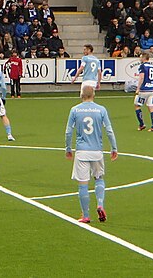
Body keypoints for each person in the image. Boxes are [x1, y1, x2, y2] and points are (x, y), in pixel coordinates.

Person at [65, 86, 118, 223]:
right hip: (97, 152)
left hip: (82, 151)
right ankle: (100, 204)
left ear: (81, 95)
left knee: (83, 184)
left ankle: (86, 215)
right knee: (99, 178)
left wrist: (68, 148)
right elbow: (109, 130)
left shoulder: (75, 110)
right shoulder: (101, 109)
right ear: (93, 95)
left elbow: (68, 132)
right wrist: (114, 147)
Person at [134, 53, 153, 132]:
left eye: (140, 57)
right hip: (152, 90)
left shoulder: (142, 66)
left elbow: (141, 77)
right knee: (151, 107)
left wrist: (138, 88)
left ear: (144, 58)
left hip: (144, 90)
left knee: (137, 105)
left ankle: (141, 124)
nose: (140, 59)